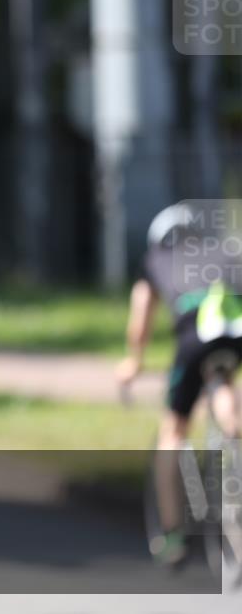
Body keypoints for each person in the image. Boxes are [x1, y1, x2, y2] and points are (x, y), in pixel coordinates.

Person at [117, 202, 242, 565]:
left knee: (172, 431)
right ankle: (234, 434)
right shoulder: (221, 251)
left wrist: (133, 362)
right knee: (221, 382)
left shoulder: (155, 258)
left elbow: (141, 314)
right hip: (234, 330)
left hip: (195, 335)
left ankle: (173, 535)